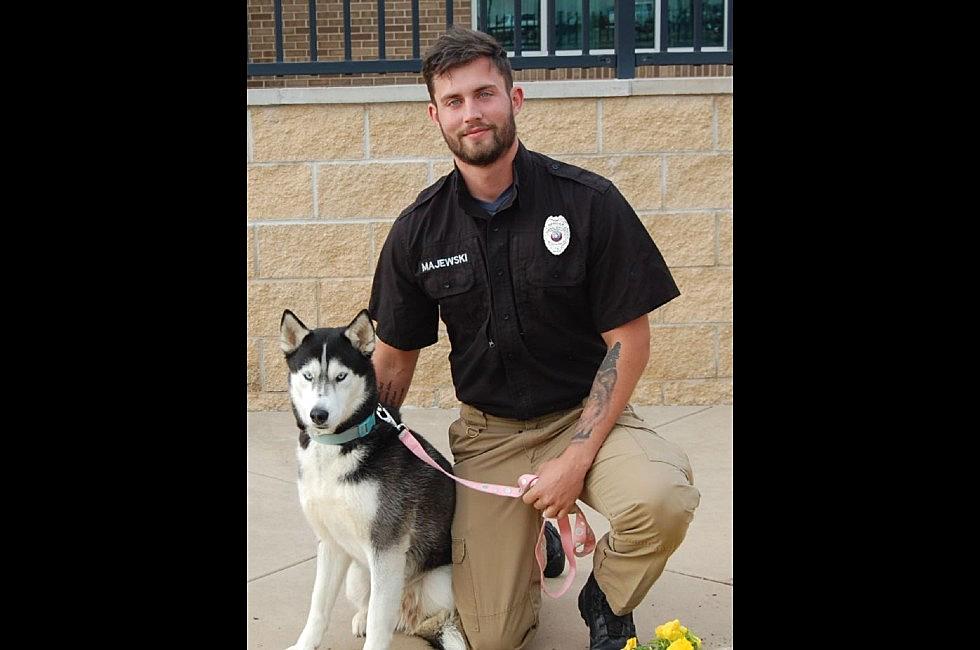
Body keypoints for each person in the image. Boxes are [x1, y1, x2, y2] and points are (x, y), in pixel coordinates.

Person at [367, 26, 701, 650]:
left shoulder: (587, 203)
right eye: (456, 101)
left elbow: (630, 341)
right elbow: (393, 365)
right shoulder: (417, 231)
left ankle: (607, 595)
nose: (473, 113)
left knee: (661, 499)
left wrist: (575, 460)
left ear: (515, 99)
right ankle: (533, 542)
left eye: (485, 94)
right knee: (492, 637)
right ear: (434, 115)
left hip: (585, 418)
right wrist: (355, 461)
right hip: (490, 435)